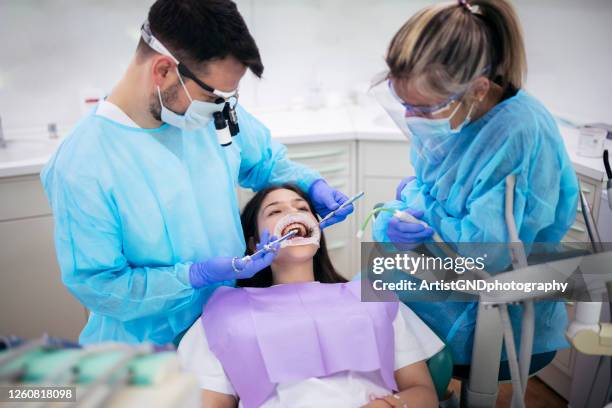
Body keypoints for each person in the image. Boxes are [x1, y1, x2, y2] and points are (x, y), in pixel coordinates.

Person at [40, 0, 353, 346]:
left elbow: (265, 164)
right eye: (213, 95)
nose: (222, 108)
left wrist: (312, 183)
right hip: (150, 354)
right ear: (163, 71)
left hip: (229, 327)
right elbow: (103, 287)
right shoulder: (82, 165)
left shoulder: (204, 113)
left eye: (228, 97)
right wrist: (194, 277)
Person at [370, 0, 579, 371]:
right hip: (443, 278)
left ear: (479, 89)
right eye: (403, 102)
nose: (410, 117)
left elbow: (487, 254)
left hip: (495, 310)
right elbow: (430, 183)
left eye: (422, 108)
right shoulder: (454, 114)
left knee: (395, 350)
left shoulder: (517, 135)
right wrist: (417, 198)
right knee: (367, 314)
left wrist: (425, 221)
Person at [178, 185, 443, 408]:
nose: (293, 213)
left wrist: (387, 405)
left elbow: (423, 393)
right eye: (275, 211)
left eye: (302, 208)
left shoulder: (372, 297)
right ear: (253, 242)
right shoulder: (224, 315)